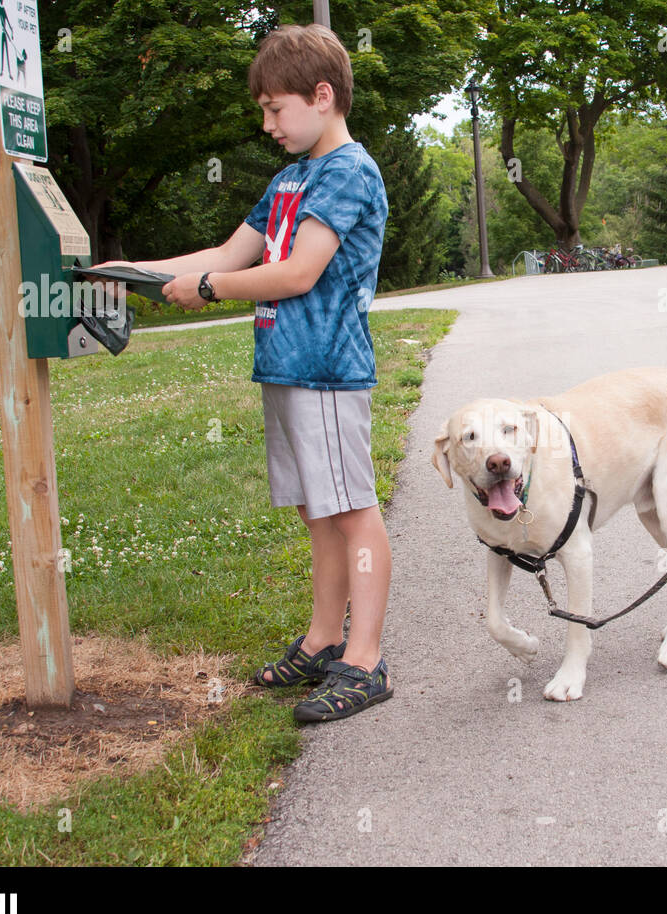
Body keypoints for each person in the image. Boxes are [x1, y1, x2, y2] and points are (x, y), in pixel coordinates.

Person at [96, 24, 392, 722]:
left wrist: (203, 289)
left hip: (327, 371)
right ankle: (324, 641)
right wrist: (130, 273)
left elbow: (295, 272)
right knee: (316, 511)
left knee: (352, 512)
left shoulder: (348, 171)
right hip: (285, 370)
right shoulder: (290, 178)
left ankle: (366, 660)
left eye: (274, 107)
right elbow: (231, 252)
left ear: (322, 96)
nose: (267, 124)